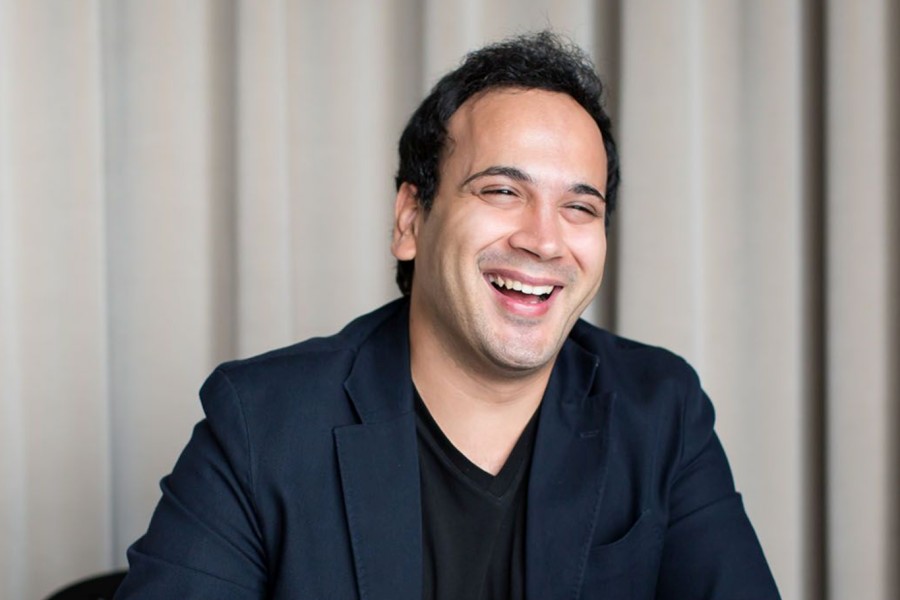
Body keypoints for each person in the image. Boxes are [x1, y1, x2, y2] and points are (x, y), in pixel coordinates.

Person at [115, 31, 780, 599]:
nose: (544, 240)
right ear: (411, 220)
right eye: (502, 190)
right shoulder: (262, 423)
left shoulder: (660, 410)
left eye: (580, 207)